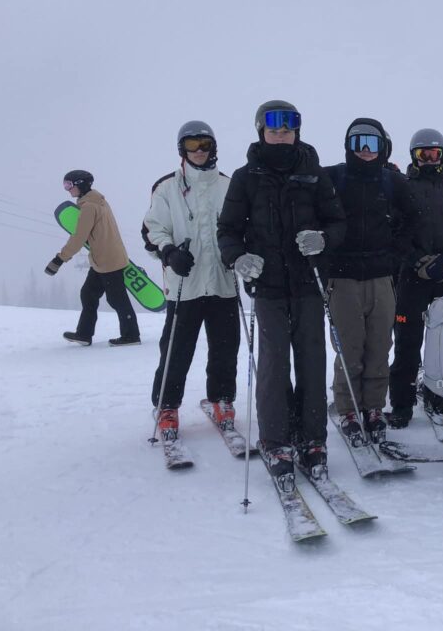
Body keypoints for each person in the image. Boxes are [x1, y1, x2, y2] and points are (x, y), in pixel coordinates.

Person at [216, 100, 346, 489]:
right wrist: (238, 257)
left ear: (296, 132)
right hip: (269, 287)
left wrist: (322, 239)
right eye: (273, 130)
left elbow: (337, 222)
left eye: (287, 130)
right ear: (262, 132)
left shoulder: (313, 172)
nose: (280, 136)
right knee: (273, 366)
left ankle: (312, 440)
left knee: (311, 362)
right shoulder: (246, 177)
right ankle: (276, 441)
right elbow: (227, 230)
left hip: (307, 284)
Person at [142, 121, 240, 441]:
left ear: (213, 147)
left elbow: (243, 227)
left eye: (204, 144)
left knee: (225, 346)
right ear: (181, 150)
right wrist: (169, 253)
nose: (198, 151)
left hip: (222, 282)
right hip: (185, 283)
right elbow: (152, 230)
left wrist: (238, 251)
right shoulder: (167, 187)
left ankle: (222, 398)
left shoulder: (229, 185)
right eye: (191, 145)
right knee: (176, 348)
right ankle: (167, 405)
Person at [324, 118, 415, 444]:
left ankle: (373, 408)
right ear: (348, 145)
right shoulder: (332, 177)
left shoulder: (392, 182)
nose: (365, 150)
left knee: (380, 345)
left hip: (381, 277)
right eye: (359, 142)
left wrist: (395, 257)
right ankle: (348, 408)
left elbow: (413, 221)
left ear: (381, 148)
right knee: (349, 347)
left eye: (372, 144)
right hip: (342, 278)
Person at [386, 128, 443, 428]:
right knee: (407, 342)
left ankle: (442, 398)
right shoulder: (402, 186)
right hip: (411, 277)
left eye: (433, 153)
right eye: (422, 154)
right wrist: (415, 260)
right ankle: (401, 403)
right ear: (413, 156)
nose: (428, 159)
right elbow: (394, 231)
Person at [46, 170, 141, 346]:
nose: (67, 189)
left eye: (69, 185)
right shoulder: (98, 201)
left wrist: (59, 259)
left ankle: (131, 336)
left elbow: (79, 237)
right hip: (102, 259)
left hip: (108, 260)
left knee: (116, 299)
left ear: (80, 184)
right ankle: (84, 334)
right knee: (88, 294)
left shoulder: (89, 207)